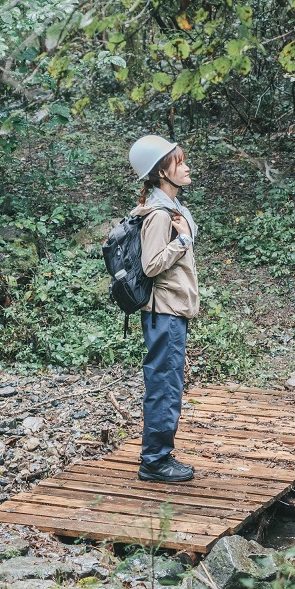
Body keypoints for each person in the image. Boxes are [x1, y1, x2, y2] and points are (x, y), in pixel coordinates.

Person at [127, 134, 199, 482]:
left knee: (167, 382)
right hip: (164, 311)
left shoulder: (171, 207)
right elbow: (152, 264)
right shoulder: (159, 214)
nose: (186, 167)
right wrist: (182, 240)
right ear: (161, 172)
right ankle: (155, 461)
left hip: (169, 311)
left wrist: (184, 235)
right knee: (164, 385)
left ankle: (157, 456)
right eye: (178, 162)